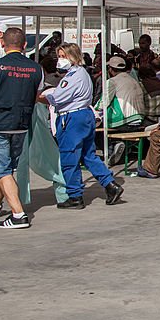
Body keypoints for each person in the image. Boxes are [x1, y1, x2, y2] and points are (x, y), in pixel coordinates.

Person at [0, 28, 43, 228]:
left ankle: (18, 214)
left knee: (1, 170)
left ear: (2, 44)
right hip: (21, 124)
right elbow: (37, 96)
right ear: (24, 45)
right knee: (5, 169)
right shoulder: (35, 68)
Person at [42, 43, 124, 209]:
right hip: (84, 115)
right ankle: (110, 184)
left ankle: (75, 196)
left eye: (63, 56)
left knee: (69, 157)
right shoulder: (82, 74)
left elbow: (57, 98)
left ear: (72, 56)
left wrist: (38, 97)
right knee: (88, 155)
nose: (60, 60)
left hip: (72, 118)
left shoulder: (73, 76)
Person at [100, 55, 147, 164]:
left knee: (97, 130)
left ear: (111, 69)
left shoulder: (112, 81)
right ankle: (115, 147)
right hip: (139, 119)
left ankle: (112, 146)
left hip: (125, 120)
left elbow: (103, 102)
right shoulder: (134, 80)